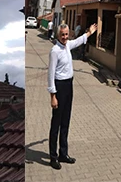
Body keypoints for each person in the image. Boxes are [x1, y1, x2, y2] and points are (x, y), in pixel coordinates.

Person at [47, 22, 97, 170]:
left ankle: (63, 153)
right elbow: (50, 75)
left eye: (66, 34)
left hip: (69, 86)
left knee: (66, 121)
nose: (64, 37)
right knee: (56, 123)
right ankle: (53, 157)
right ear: (58, 35)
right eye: (62, 35)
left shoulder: (67, 45)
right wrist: (53, 96)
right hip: (59, 87)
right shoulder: (54, 51)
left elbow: (78, 41)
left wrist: (89, 33)